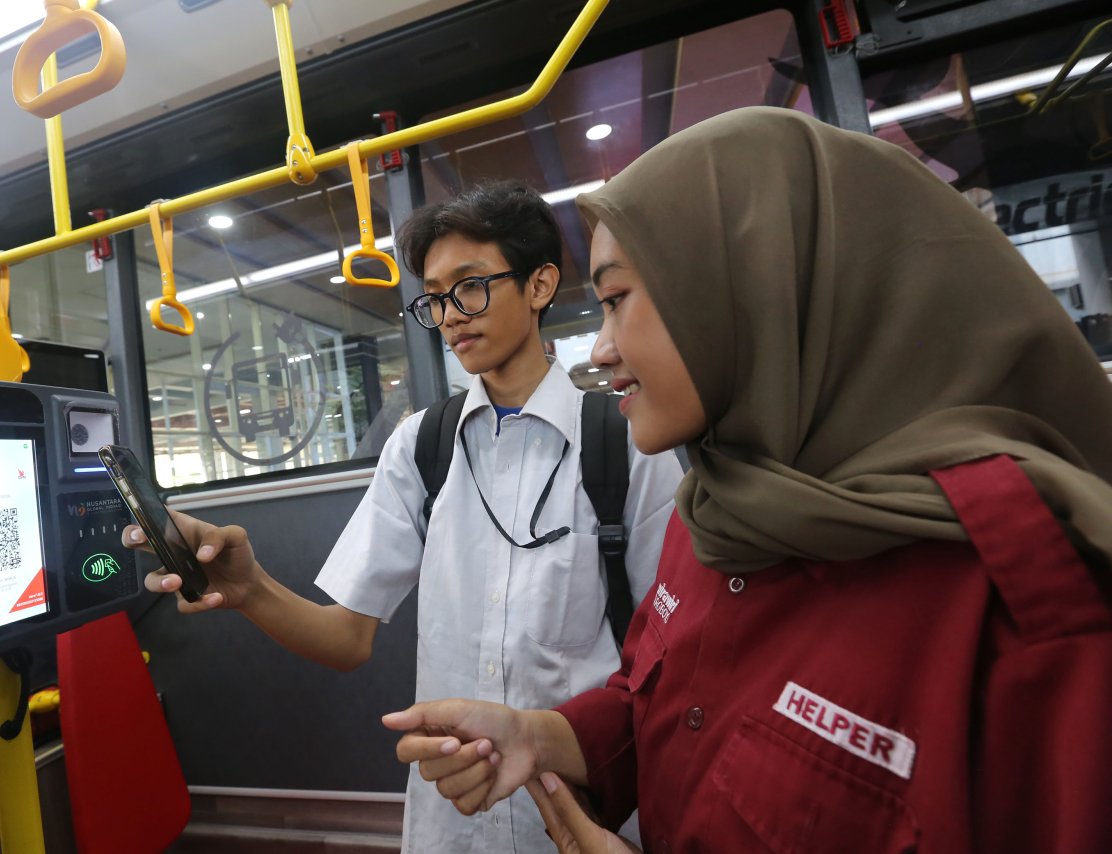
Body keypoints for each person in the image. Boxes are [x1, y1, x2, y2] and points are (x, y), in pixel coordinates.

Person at [381, 108, 1112, 853]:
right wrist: (547, 736)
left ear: (757, 292)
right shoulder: (715, 515)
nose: (601, 348)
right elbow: (658, 701)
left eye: (617, 300)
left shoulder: (1020, 604)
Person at [126, 181, 683, 854]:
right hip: (453, 825)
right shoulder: (422, 447)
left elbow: (673, 668)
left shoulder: (625, 446)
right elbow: (346, 637)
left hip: (582, 820)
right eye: (436, 297)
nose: (450, 315)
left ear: (539, 285)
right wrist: (251, 592)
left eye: (471, 286)